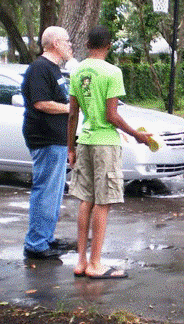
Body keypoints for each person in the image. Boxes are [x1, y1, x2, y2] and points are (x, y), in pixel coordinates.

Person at [67, 25, 152, 279]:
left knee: (86, 200)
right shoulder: (112, 72)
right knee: (103, 203)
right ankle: (96, 264)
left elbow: (72, 114)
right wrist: (137, 134)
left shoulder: (77, 70)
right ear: (109, 45)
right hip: (105, 143)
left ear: (87, 44)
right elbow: (111, 115)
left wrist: (70, 147)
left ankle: (81, 261)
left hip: (85, 141)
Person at [21, 26, 75, 259]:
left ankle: (46, 237)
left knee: (54, 192)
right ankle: (36, 244)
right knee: (46, 191)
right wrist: (70, 108)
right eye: (67, 41)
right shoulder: (39, 68)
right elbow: (41, 102)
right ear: (54, 43)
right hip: (45, 138)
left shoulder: (54, 70)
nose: (70, 45)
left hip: (58, 139)